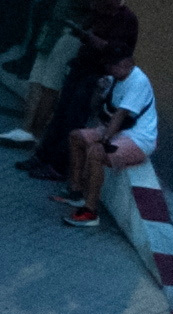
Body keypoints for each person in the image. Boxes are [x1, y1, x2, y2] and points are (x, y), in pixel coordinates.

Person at [59, 59, 159, 230]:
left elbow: (120, 115)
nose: (110, 69)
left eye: (114, 65)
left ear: (127, 65)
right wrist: (100, 89)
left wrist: (104, 140)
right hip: (119, 132)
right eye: (109, 65)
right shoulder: (113, 79)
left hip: (139, 139)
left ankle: (90, 211)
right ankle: (77, 192)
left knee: (96, 152)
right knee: (76, 137)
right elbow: (96, 108)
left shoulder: (138, 82)